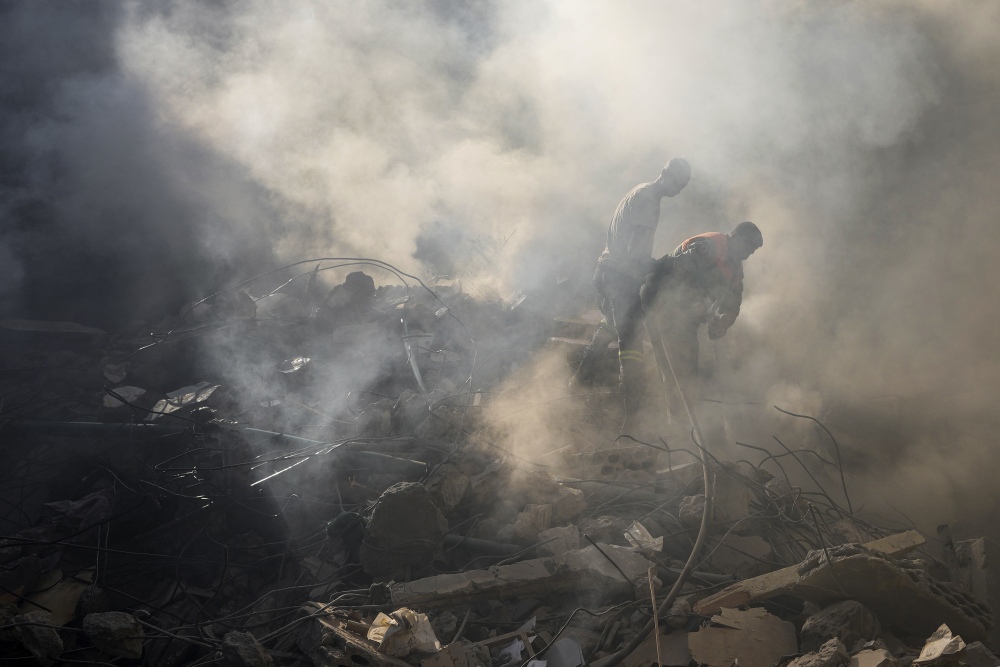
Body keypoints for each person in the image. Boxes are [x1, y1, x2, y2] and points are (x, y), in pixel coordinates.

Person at [574, 158, 691, 419]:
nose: (677, 190)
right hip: (619, 277)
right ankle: (633, 412)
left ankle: (581, 379)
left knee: (611, 324)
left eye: (682, 187)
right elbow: (635, 252)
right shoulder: (648, 199)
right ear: (664, 172)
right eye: (676, 183)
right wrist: (659, 265)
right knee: (632, 341)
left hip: (608, 272)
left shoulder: (641, 192)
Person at [642, 221, 763, 422]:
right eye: (749, 248)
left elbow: (733, 304)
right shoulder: (711, 246)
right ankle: (677, 424)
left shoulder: (734, 267)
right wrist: (692, 304)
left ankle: (687, 421)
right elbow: (677, 277)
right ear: (737, 238)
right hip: (661, 306)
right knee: (676, 369)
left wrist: (724, 322)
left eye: (752, 252)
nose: (748, 255)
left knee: (688, 368)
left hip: (686, 318)